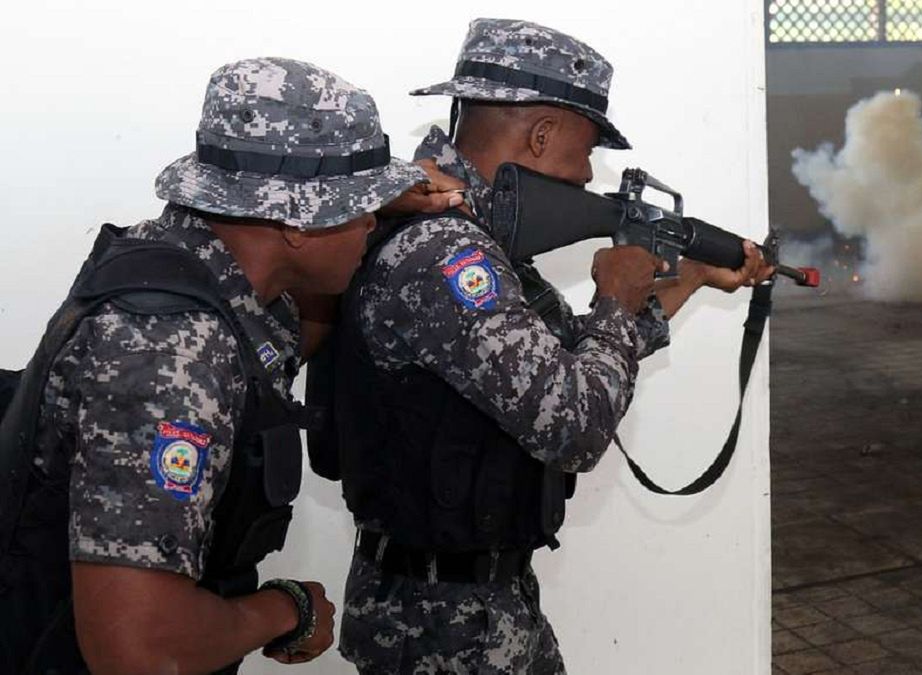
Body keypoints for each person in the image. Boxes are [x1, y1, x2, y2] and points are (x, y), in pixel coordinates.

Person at [333, 18, 773, 673]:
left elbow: (573, 354)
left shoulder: (469, 237)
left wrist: (694, 277)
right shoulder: (448, 254)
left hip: (469, 606)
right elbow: (574, 424)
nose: (589, 171)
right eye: (588, 147)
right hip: (441, 626)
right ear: (541, 134)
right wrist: (616, 297)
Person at [0, 56, 463, 674]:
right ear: (297, 220)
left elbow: (287, 342)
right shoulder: (171, 349)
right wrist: (286, 609)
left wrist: (364, 203)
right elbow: (140, 651)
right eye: (360, 207)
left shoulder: (190, 263)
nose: (372, 222)